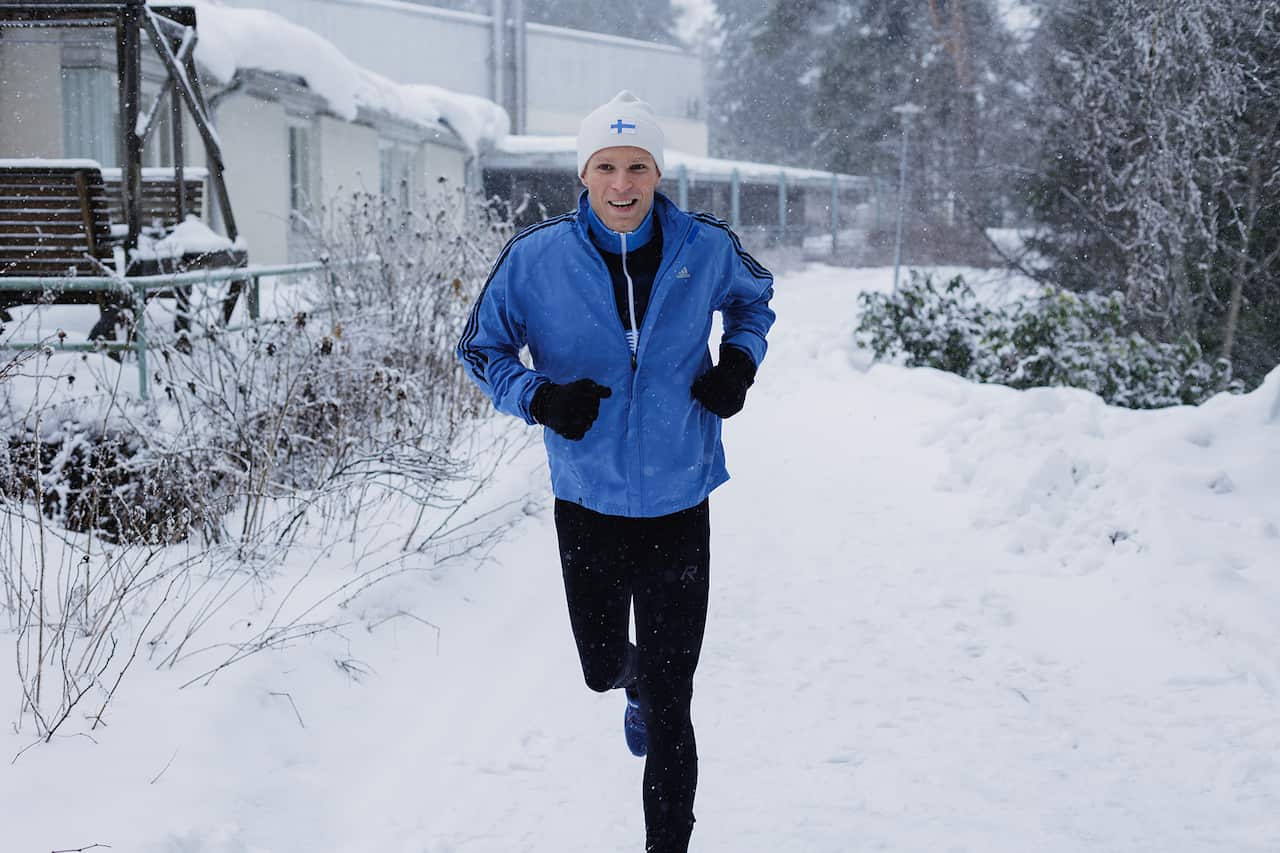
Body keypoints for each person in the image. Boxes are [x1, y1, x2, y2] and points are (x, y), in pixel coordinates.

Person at [456, 90, 775, 853]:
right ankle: (624, 682)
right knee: (602, 666)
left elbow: (755, 302)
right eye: (606, 166)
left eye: (637, 166)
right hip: (588, 500)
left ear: (657, 171)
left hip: (679, 499)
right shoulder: (534, 258)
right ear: (584, 173)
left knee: (674, 703)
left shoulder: (706, 246)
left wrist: (738, 361)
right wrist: (538, 397)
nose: (623, 184)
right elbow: (479, 349)